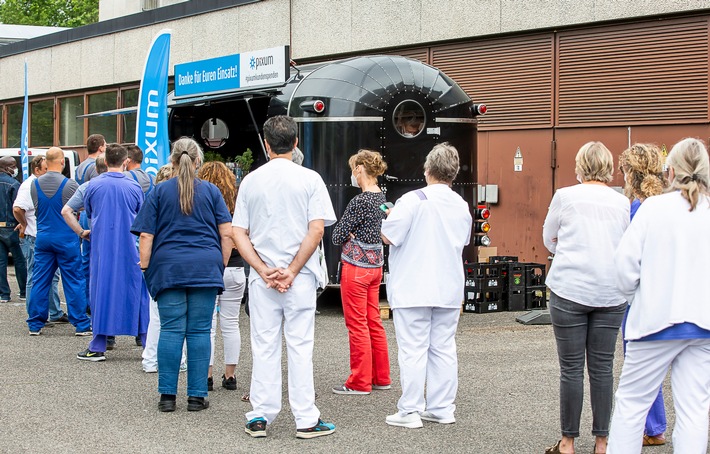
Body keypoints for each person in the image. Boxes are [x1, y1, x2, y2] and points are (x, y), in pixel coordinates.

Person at [233, 115, 337, 439]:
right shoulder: (310, 179)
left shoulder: (251, 181)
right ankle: (306, 418)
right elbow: (317, 229)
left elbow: (238, 232)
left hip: (262, 278)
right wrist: (291, 269)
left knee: (263, 344)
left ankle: (260, 416)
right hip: (300, 277)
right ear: (295, 143)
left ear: (266, 144)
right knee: (300, 345)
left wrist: (263, 269)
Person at [608, 138, 710, 454]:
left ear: (670, 173)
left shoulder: (653, 209)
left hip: (653, 322)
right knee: (694, 409)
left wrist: (637, 297)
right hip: (703, 325)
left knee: (632, 404)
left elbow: (624, 270)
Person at [131, 137, 233, 413]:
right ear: (198, 161)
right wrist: (219, 266)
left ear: (172, 162)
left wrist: (145, 267)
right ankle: (197, 397)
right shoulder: (212, 192)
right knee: (200, 330)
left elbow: (146, 235)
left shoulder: (159, 191)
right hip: (205, 266)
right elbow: (227, 234)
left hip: (168, 267)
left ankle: (167, 397)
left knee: (171, 329)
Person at [542, 141, 630, 454]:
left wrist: (563, 249)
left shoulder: (565, 196)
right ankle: (603, 441)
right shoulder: (621, 201)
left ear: (580, 165)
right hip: (610, 290)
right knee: (603, 369)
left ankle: (567, 442)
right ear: (608, 166)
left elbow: (548, 236)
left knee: (571, 369)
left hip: (570, 288)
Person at [380, 143, 472, 429]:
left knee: (413, 348)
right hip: (448, 285)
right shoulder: (461, 205)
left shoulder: (412, 200)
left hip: (413, 285)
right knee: (443, 347)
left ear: (427, 169)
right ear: (453, 173)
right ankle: (442, 406)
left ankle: (410, 409)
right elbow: (464, 241)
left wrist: (389, 216)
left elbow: (388, 236)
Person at [63, 145, 148, 361]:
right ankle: (147, 343)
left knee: (101, 292)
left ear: (104, 160)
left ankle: (98, 345)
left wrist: (82, 232)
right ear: (126, 161)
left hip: (101, 248)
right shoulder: (134, 186)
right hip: (131, 247)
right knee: (136, 292)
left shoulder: (92, 185)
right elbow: (142, 218)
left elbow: (68, 211)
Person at [617, 143, 669, 446]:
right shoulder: (669, 204)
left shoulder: (636, 210)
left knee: (639, 369)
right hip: (669, 297)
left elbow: (627, 262)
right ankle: (655, 426)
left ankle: (649, 428)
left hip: (640, 298)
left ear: (629, 173)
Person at [331, 149, 391, 395]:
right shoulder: (383, 198)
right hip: (376, 267)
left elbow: (336, 236)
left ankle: (359, 382)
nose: (351, 174)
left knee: (357, 325)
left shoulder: (360, 201)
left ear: (359, 169)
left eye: (352, 168)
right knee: (374, 322)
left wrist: (348, 234)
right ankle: (381, 377)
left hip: (356, 269)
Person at [26, 147, 91, 336]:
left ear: (46, 162)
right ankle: (80, 323)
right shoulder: (70, 185)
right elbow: (76, 209)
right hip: (66, 239)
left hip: (43, 237)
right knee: (74, 280)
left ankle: (35, 324)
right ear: (62, 161)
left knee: (40, 280)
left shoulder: (34, 184)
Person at [198, 161, 245, 392]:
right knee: (231, 323)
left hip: (209, 266)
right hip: (236, 268)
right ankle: (230, 375)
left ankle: (206, 375)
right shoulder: (238, 203)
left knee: (207, 325)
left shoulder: (202, 202)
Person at [13, 156, 64, 322]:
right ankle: (34, 314)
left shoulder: (40, 184)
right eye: (45, 169)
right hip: (34, 237)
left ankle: (54, 312)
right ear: (37, 170)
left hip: (42, 236)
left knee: (51, 277)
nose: (49, 173)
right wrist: (24, 223)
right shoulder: (29, 185)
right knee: (34, 277)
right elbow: (17, 208)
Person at [75, 134, 106, 308]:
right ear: (101, 147)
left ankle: (86, 299)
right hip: (94, 214)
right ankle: (94, 301)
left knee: (86, 259)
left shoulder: (80, 166)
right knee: (97, 259)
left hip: (83, 215)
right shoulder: (96, 166)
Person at [0, 156, 27, 303]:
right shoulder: (14, 184)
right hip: (12, 227)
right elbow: (18, 207)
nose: (15, 168)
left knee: (1, 262)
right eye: (13, 165)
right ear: (7, 167)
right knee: (19, 260)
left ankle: (4, 294)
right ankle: (23, 291)